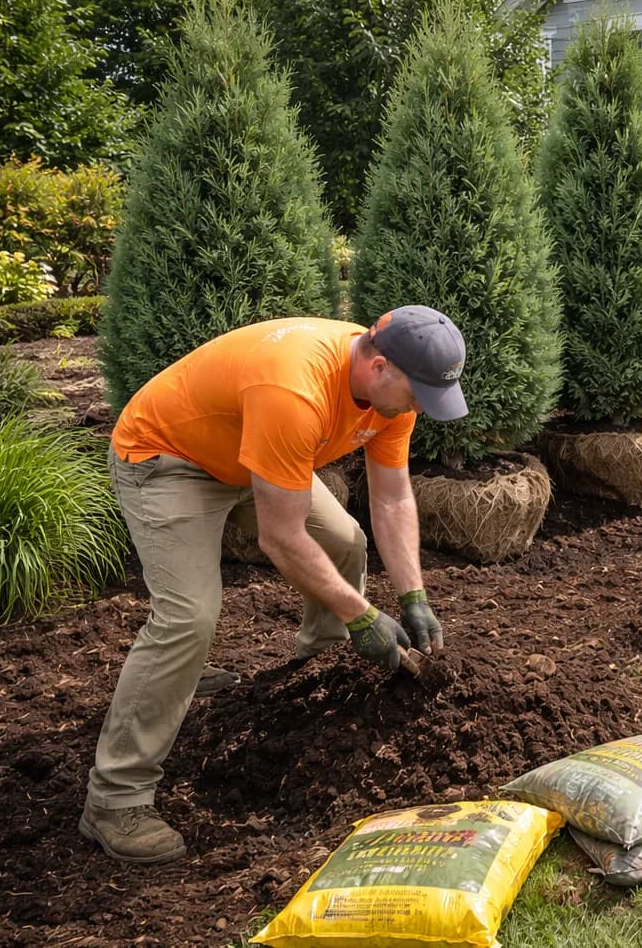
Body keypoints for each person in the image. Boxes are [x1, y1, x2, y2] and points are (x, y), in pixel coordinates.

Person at [80, 306, 468, 864]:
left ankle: (323, 668)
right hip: (169, 459)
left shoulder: (396, 394)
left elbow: (392, 496)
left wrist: (413, 597)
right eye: (417, 395)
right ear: (380, 366)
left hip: (255, 458)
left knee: (345, 543)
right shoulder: (297, 387)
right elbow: (280, 538)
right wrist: (363, 615)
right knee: (187, 619)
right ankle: (115, 799)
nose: (420, 409)